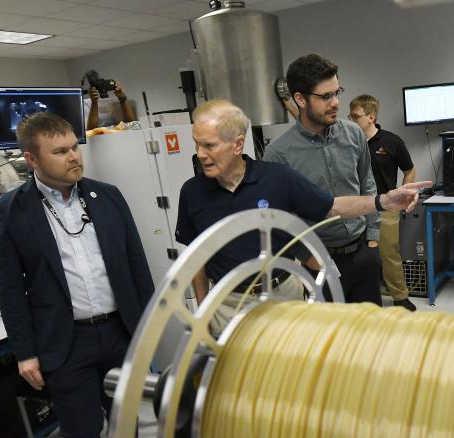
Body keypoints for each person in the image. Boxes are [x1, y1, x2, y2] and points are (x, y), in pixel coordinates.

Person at [0, 112, 156, 438]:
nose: (73, 157)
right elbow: (8, 287)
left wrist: (145, 328)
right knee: (82, 434)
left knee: (124, 420)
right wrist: (25, 351)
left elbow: (136, 266)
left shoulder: (107, 196)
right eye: (60, 151)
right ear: (31, 159)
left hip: (119, 332)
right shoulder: (11, 211)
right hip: (67, 343)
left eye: (74, 147)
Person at [176, 99, 429, 331]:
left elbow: (333, 206)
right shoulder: (192, 192)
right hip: (227, 306)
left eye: (209, 145)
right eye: (197, 144)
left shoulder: (276, 178)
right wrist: (203, 314)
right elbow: (196, 259)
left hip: (283, 297)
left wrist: (383, 200)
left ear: (237, 144)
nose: (200, 153)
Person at [264, 54, 383, 304]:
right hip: (319, 262)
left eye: (337, 92)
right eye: (325, 96)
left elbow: (367, 184)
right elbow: (281, 216)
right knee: (331, 337)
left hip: (363, 252)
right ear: (300, 99)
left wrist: (373, 236)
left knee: (370, 333)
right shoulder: (278, 153)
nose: (336, 103)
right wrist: (305, 255)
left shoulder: (353, 134)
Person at [349, 94, 418, 311]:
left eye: (355, 116)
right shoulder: (348, 142)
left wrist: (404, 193)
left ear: (371, 116)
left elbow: (410, 170)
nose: (351, 121)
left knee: (389, 254)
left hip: (385, 207)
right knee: (359, 255)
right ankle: (364, 297)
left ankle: (399, 296)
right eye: (349, 116)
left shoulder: (392, 141)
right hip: (356, 207)